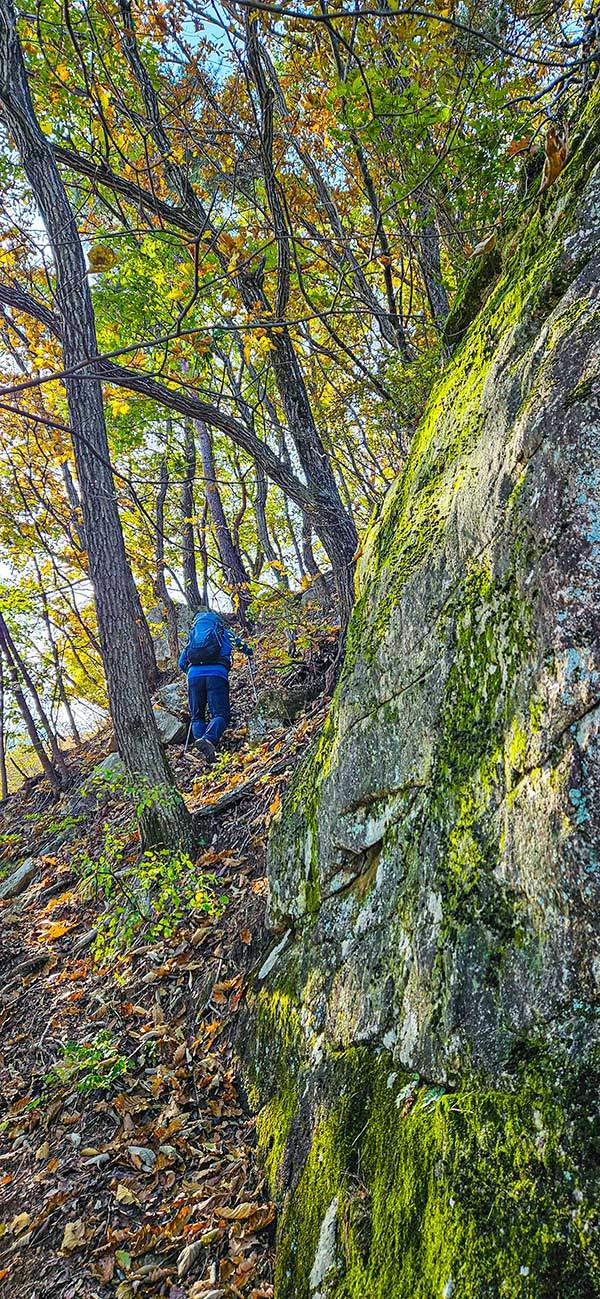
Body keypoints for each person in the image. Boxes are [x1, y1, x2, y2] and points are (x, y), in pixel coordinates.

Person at [179, 605, 251, 763]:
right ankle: (209, 739)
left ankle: (204, 750)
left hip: (194, 677)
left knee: (197, 716)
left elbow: (181, 662)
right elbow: (240, 645)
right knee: (220, 714)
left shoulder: (193, 636)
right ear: (217, 622)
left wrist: (192, 673)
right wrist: (248, 651)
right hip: (217, 675)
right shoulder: (223, 632)